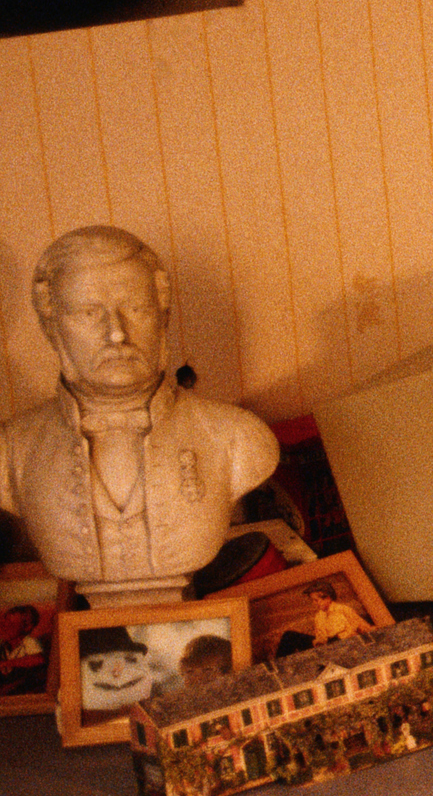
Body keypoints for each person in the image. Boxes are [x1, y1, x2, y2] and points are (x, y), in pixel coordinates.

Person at [0, 226, 278, 605]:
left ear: (162, 315)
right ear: (51, 325)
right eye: (88, 312)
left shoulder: (240, 436)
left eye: (136, 308)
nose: (116, 334)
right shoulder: (11, 451)